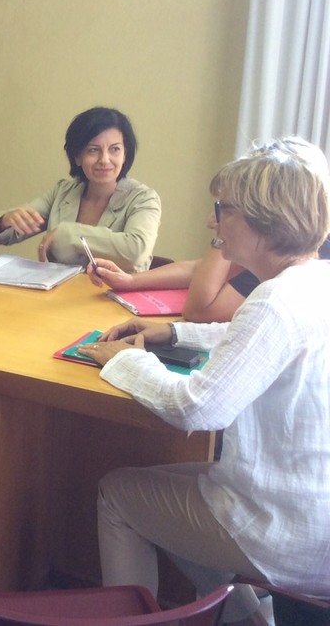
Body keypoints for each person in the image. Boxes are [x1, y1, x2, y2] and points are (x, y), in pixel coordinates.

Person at [77, 139, 330, 625]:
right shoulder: (314, 281)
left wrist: (125, 361)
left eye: (222, 210)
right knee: (178, 495)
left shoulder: (274, 301)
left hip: (286, 530)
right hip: (310, 513)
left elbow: (198, 408)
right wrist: (172, 332)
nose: (213, 223)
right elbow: (253, 341)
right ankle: (248, 618)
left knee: (117, 494)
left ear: (261, 221)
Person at [89, 137, 330, 322]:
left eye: (226, 208)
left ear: (265, 215)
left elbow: (200, 310)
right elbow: (201, 269)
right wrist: (130, 281)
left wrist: (223, 232)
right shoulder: (284, 257)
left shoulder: (276, 292)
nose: (210, 222)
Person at [0, 107, 160, 273]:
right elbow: (5, 233)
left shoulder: (143, 198)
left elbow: (136, 250)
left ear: (125, 155)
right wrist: (7, 220)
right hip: (59, 290)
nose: (104, 159)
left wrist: (69, 234)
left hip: (115, 292)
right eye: (93, 150)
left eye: (114, 149)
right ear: (77, 156)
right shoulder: (63, 192)